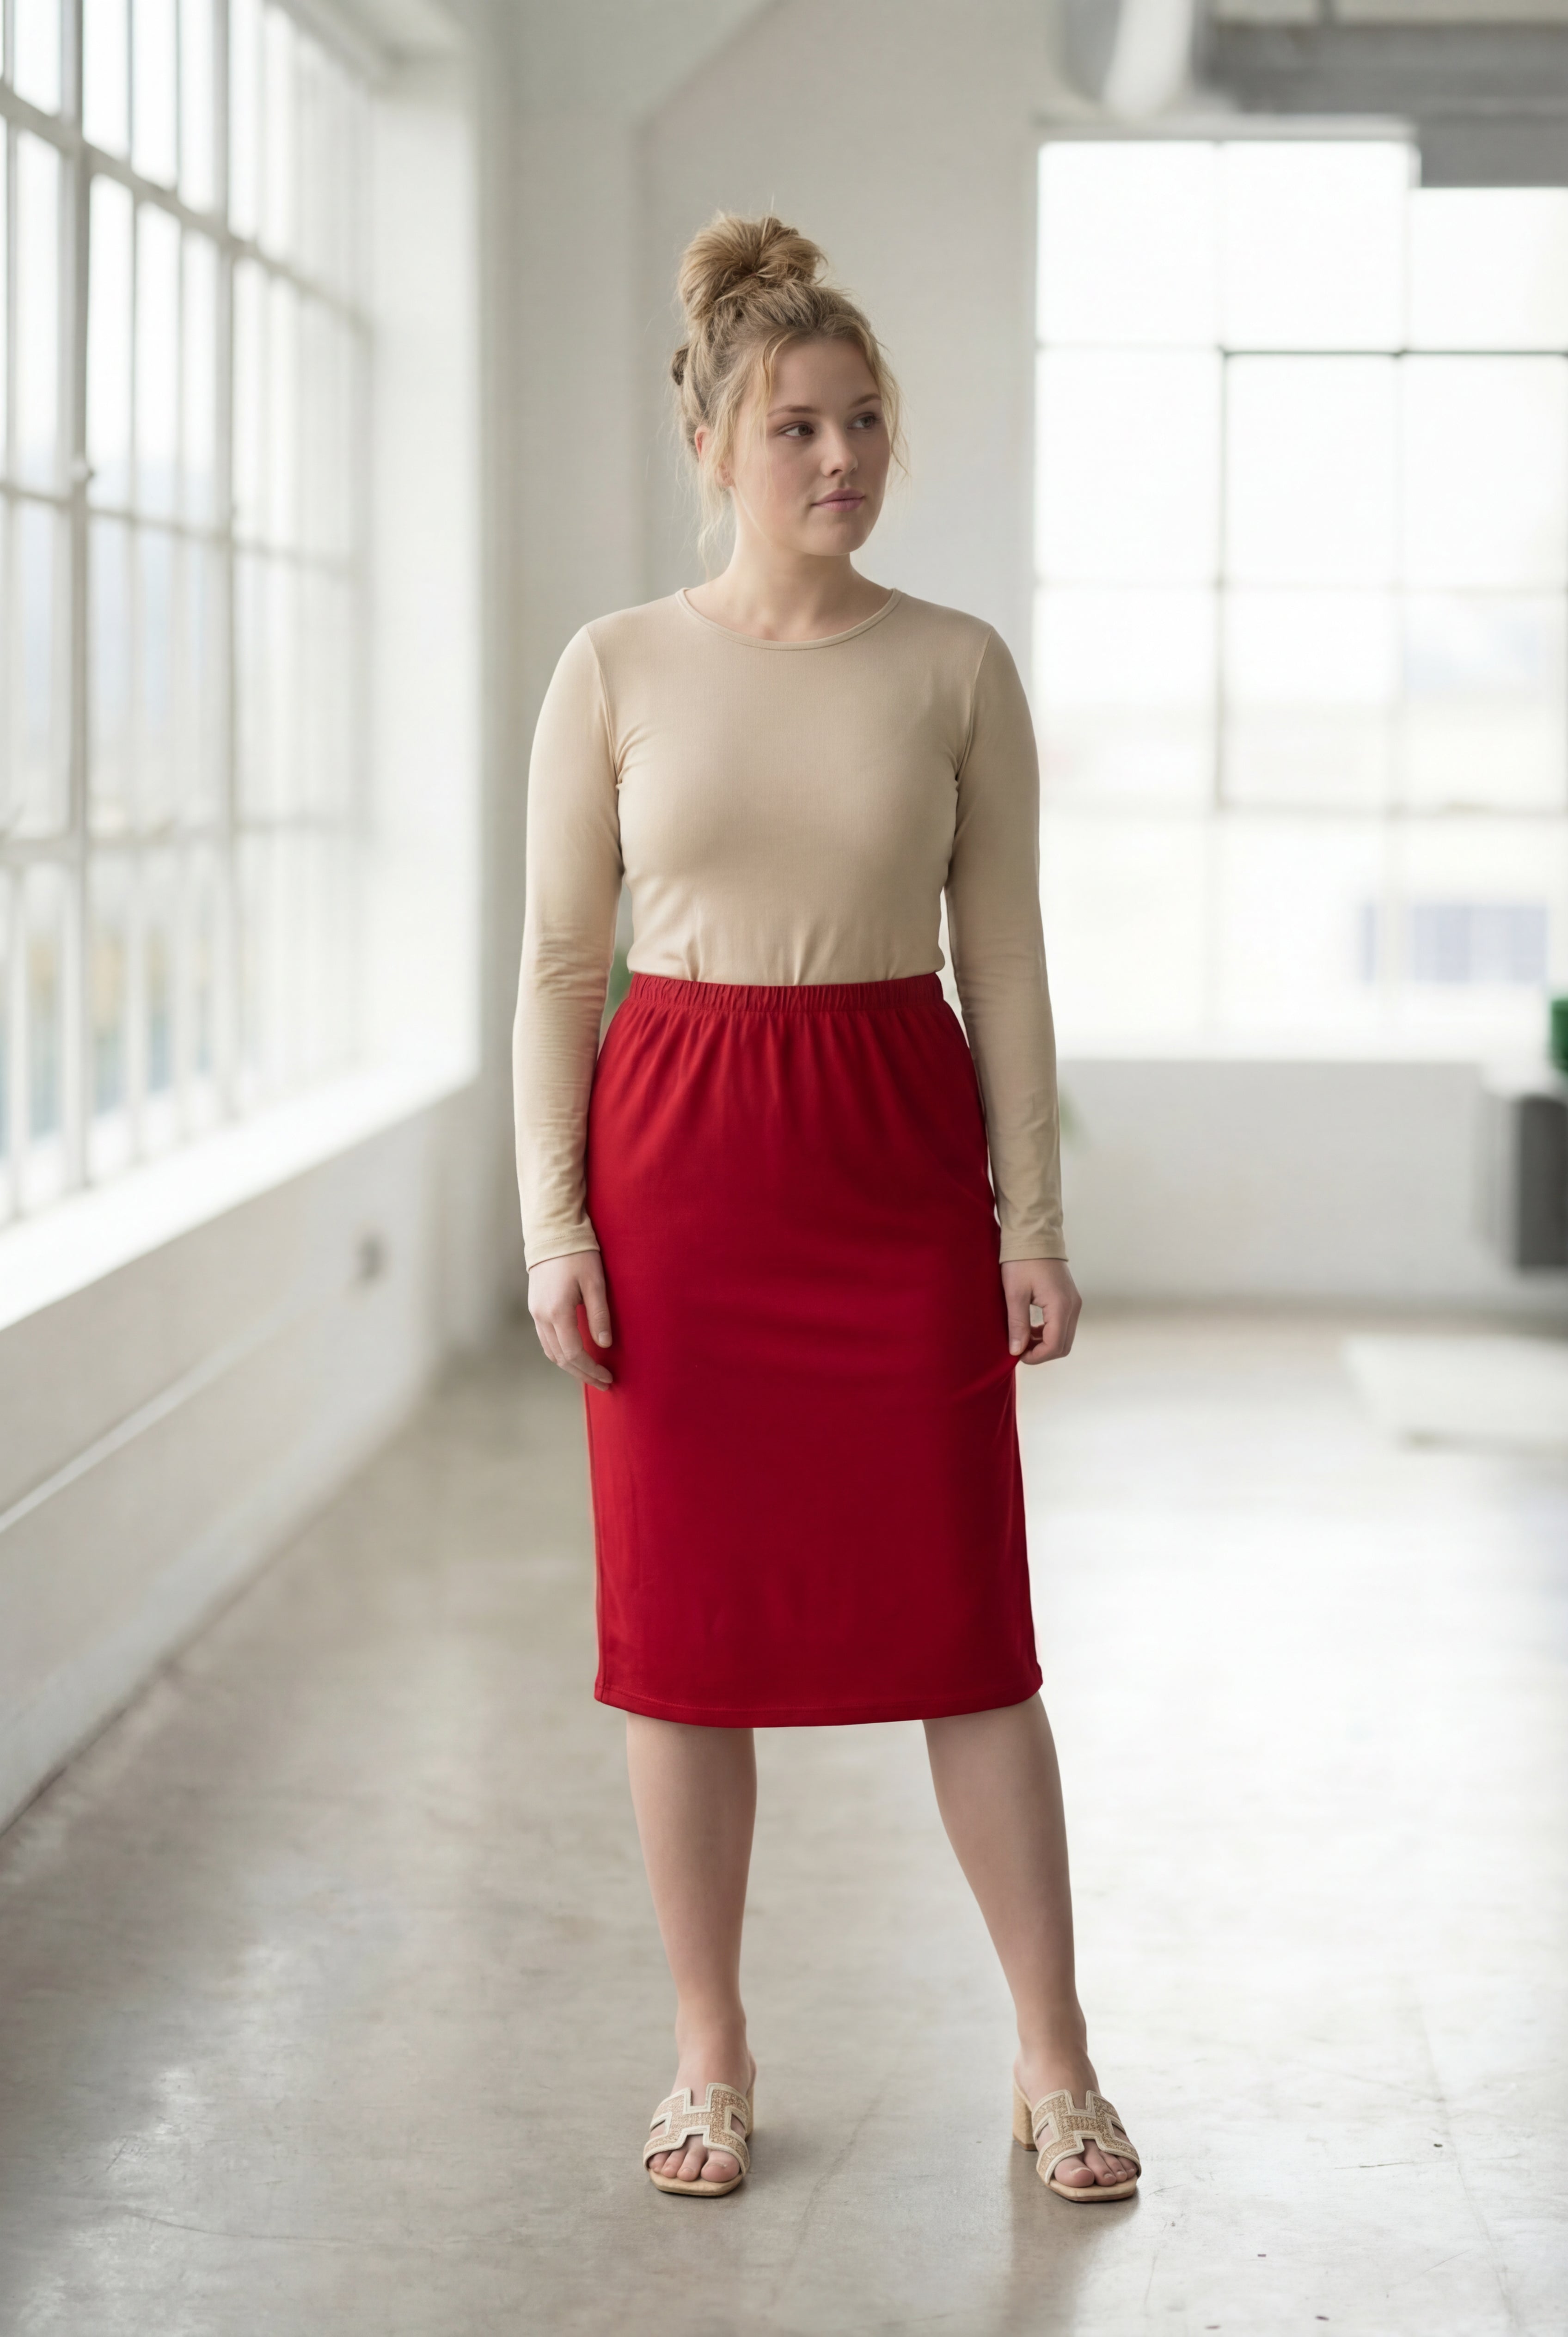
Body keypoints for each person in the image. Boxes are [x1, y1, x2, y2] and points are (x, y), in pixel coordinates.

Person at [512, 212, 1140, 2206]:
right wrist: (556, 1224)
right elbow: (554, 967)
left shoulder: (955, 666)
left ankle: (1052, 2056)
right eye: (795, 425)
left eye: (863, 420)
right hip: (679, 1167)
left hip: (887, 1152)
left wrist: (1024, 1216)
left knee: (969, 1635)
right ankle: (709, 2051)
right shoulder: (612, 666)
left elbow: (1010, 961)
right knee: (683, 1644)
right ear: (715, 437)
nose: (840, 458)